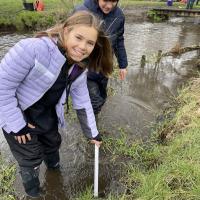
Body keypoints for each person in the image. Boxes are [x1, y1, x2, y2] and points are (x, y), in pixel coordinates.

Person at [0, 11, 113, 198]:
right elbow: (2, 87)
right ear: (66, 30)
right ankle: (34, 193)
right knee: (31, 157)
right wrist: (16, 125)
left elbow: (82, 100)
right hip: (19, 115)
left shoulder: (79, 66)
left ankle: (54, 172)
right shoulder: (32, 48)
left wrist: (92, 132)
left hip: (47, 114)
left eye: (90, 43)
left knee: (53, 144)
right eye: (78, 37)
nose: (83, 47)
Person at [75, 0, 128, 118]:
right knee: (95, 101)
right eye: (105, 0)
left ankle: (92, 117)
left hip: (104, 66)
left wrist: (123, 64)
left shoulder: (119, 16)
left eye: (113, 1)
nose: (109, 6)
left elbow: (119, 40)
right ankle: (91, 130)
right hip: (85, 67)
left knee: (102, 97)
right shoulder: (82, 11)